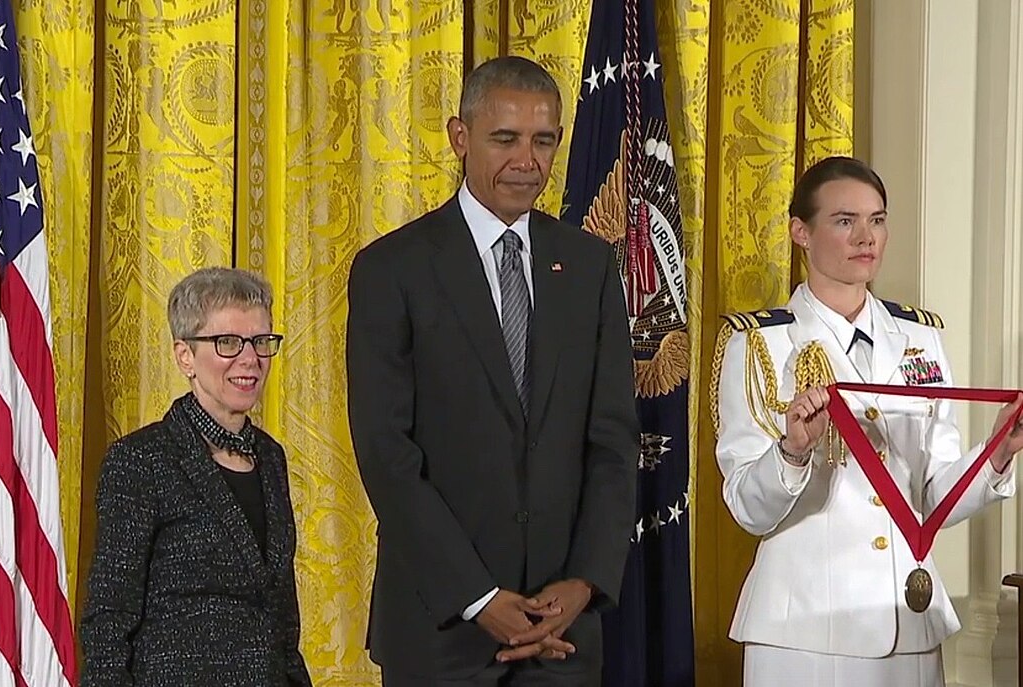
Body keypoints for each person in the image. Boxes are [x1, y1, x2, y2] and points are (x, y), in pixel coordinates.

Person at [345, 56, 640, 686]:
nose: (526, 160)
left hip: (562, 635)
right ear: (460, 137)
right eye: (504, 139)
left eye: (543, 140)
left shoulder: (588, 267)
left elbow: (614, 442)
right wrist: (479, 597)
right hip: (440, 631)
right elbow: (385, 453)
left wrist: (583, 584)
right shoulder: (391, 269)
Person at [712, 156, 1023, 687]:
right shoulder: (760, 344)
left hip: (906, 620)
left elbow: (930, 496)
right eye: (844, 221)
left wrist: (997, 452)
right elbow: (748, 508)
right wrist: (792, 452)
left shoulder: (919, 338)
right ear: (800, 233)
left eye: (877, 220)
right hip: (805, 631)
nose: (866, 237)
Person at [80, 268, 312, 687]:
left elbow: (282, 618)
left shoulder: (271, 457)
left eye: (261, 341)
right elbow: (107, 622)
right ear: (184, 355)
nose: (250, 359)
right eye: (228, 343)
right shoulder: (140, 460)